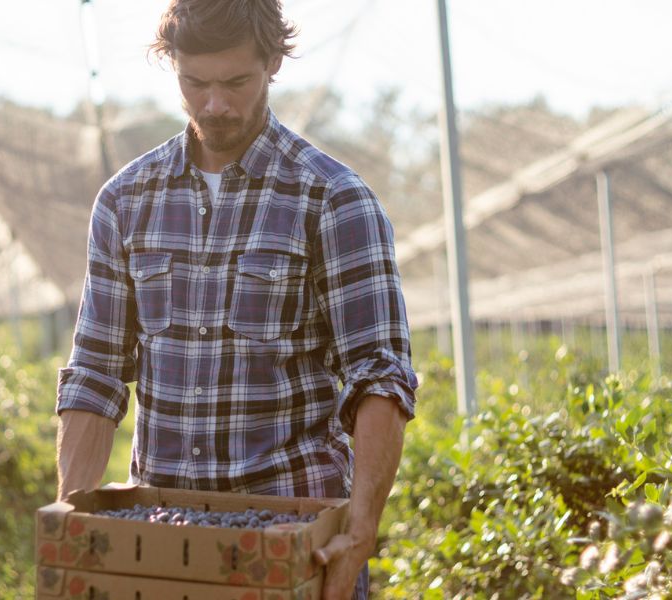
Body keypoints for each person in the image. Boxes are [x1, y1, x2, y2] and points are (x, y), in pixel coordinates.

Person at [55, 1, 418, 598]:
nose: (215, 105)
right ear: (172, 66)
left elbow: (379, 377)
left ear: (273, 63)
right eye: (194, 83)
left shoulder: (333, 199)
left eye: (235, 83)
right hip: (162, 540)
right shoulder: (126, 201)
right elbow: (95, 376)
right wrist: (70, 529)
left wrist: (359, 533)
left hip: (292, 537)